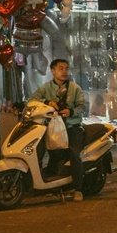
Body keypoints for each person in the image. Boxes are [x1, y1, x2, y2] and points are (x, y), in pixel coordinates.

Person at [29, 59, 86, 201]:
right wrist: (47, 102)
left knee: (74, 153)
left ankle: (78, 189)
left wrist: (71, 112)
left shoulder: (75, 88)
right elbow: (31, 100)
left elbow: (82, 107)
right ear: (52, 71)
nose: (64, 71)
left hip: (71, 127)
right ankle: (37, 184)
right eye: (60, 68)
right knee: (38, 150)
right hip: (51, 128)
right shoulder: (45, 88)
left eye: (66, 68)